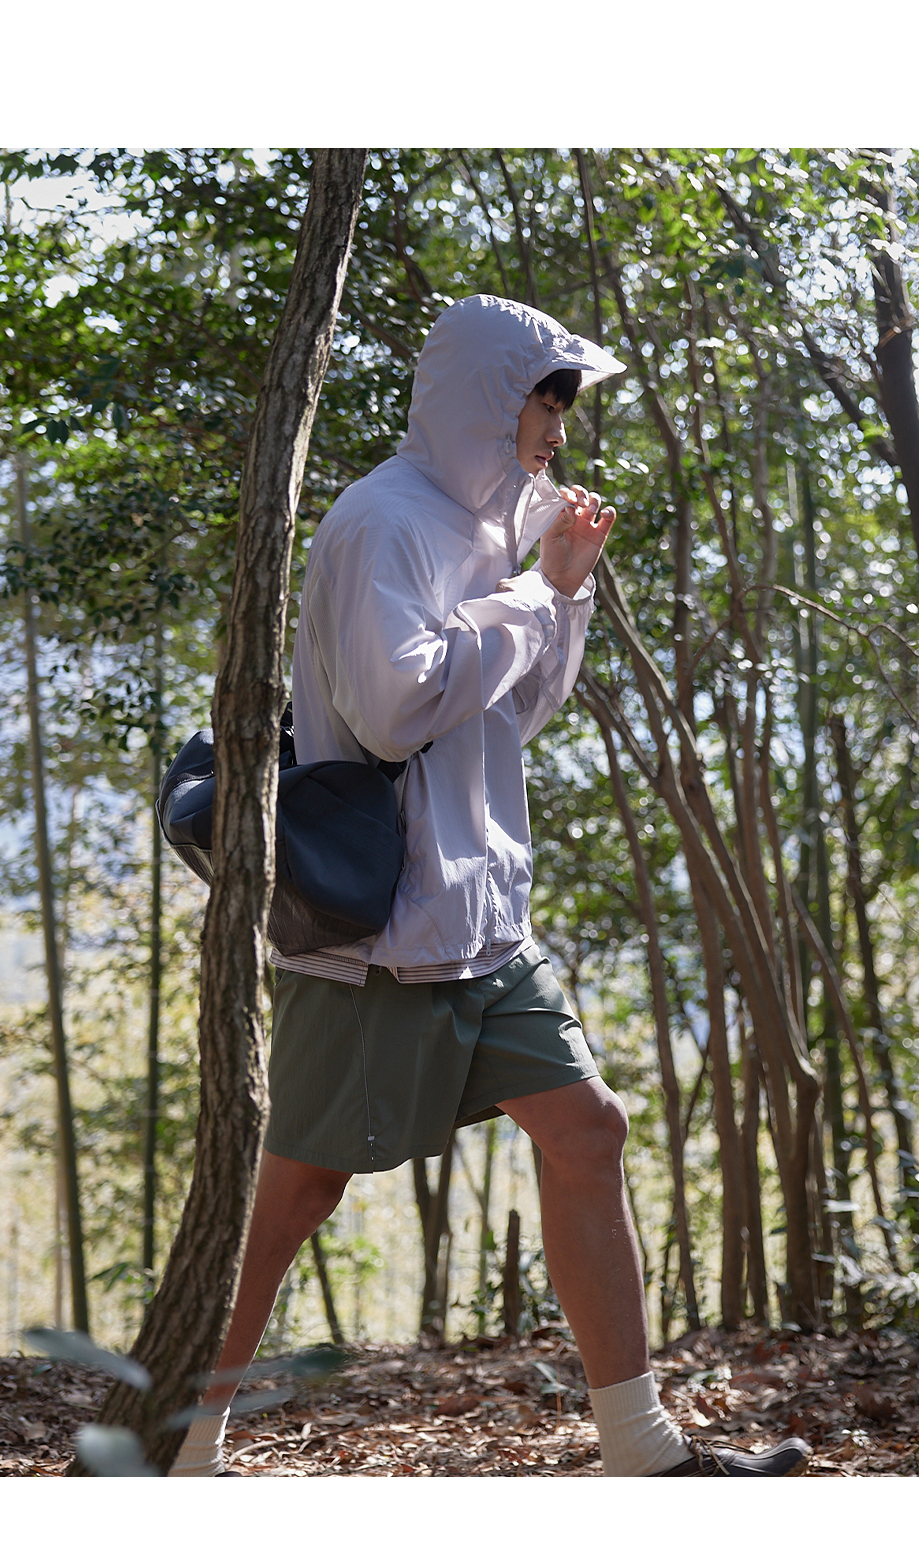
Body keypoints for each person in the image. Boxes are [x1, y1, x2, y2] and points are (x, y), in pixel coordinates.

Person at [170, 295, 810, 1478]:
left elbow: (515, 712)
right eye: (543, 401)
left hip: (480, 918)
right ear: (482, 399)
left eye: (565, 405)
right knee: (295, 1192)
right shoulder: (384, 521)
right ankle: (179, 1440)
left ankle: (644, 1450)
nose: (558, 429)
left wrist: (562, 590)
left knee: (588, 1129)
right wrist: (527, 596)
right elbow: (393, 708)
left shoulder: (489, 526)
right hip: (378, 927)